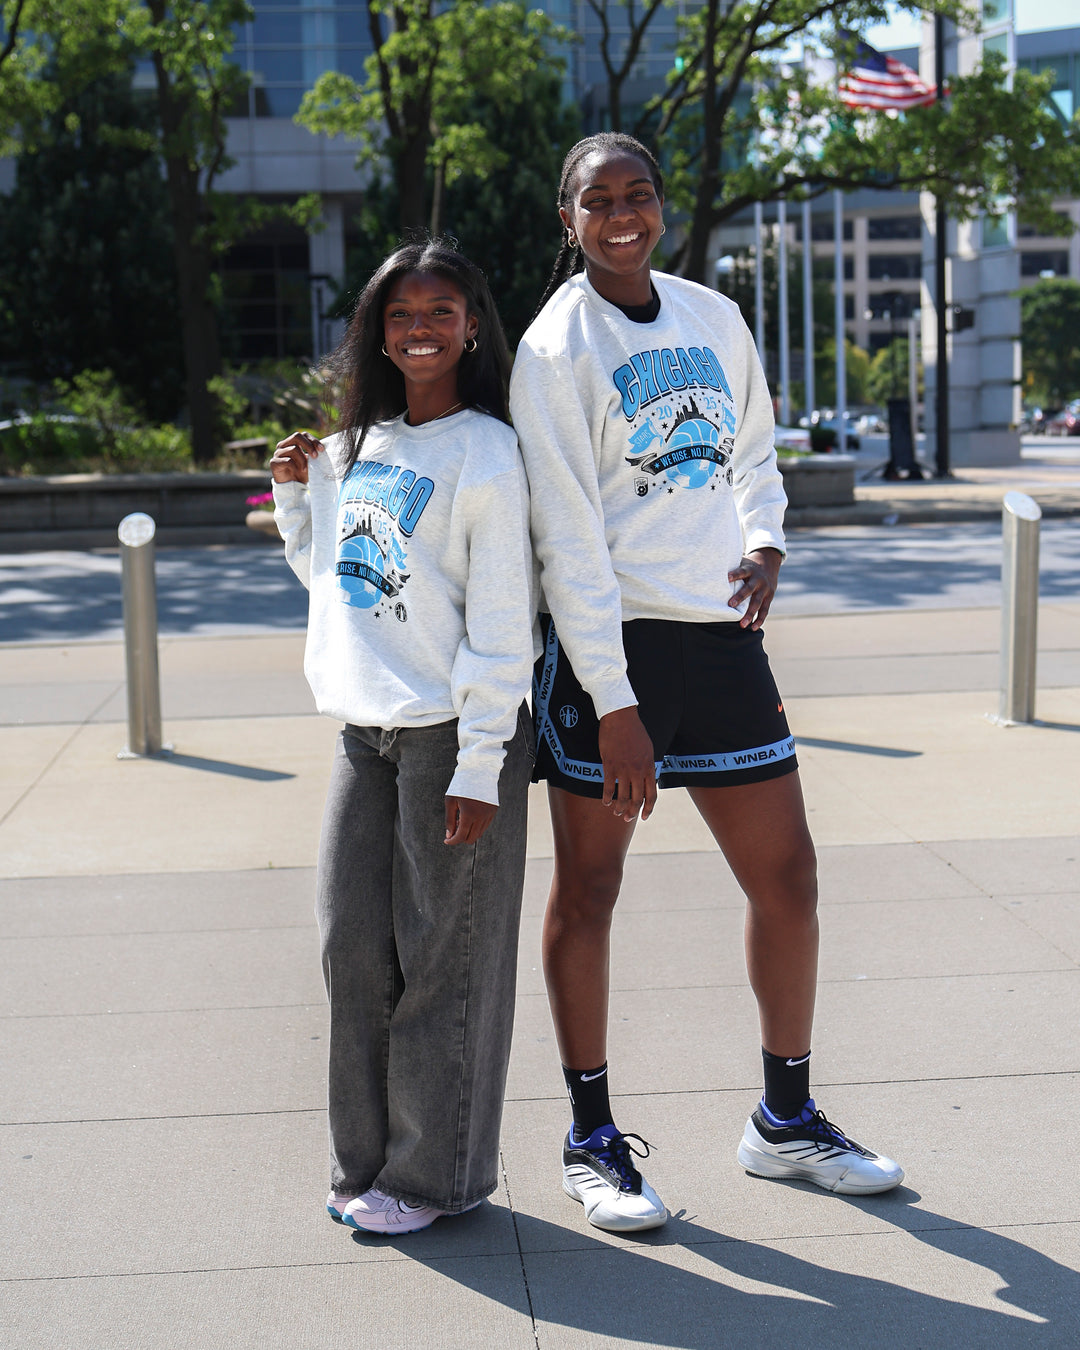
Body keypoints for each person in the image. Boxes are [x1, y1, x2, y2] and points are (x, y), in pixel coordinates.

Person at [509, 132, 903, 1234]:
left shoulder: (713, 316)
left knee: (790, 879)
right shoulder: (552, 349)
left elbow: (754, 452)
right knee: (589, 892)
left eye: (638, 195)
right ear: (568, 218)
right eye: (598, 200)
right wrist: (615, 702)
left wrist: (764, 540)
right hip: (613, 647)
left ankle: (785, 1121)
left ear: (660, 205)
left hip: (721, 638)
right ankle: (592, 1140)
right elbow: (565, 539)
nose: (621, 215)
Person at [272, 238, 536, 1236]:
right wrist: (297, 494)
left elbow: (504, 619)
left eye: (439, 313)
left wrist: (481, 762)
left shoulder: (486, 450)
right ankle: (366, 1161)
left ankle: (435, 1178)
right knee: (351, 950)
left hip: (449, 737)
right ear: (377, 333)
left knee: (444, 964)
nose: (419, 329)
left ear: (470, 328)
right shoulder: (360, 447)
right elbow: (336, 583)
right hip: (364, 734)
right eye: (400, 315)